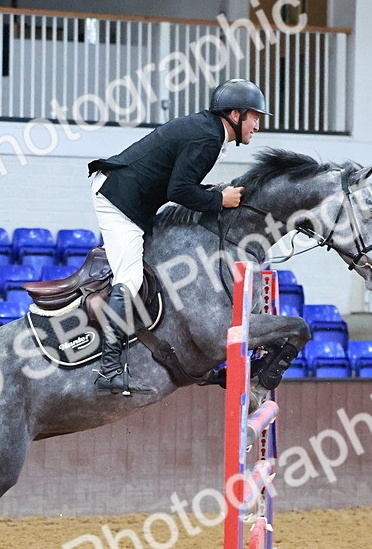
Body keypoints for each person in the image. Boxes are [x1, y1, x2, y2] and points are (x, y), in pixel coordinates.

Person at [86, 78, 269, 395]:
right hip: (118, 199)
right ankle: (108, 371)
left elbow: (181, 184)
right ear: (236, 115)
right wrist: (218, 200)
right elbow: (179, 190)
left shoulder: (211, 133)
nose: (257, 125)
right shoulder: (207, 138)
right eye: (255, 116)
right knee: (129, 280)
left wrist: (214, 195)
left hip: (135, 199)